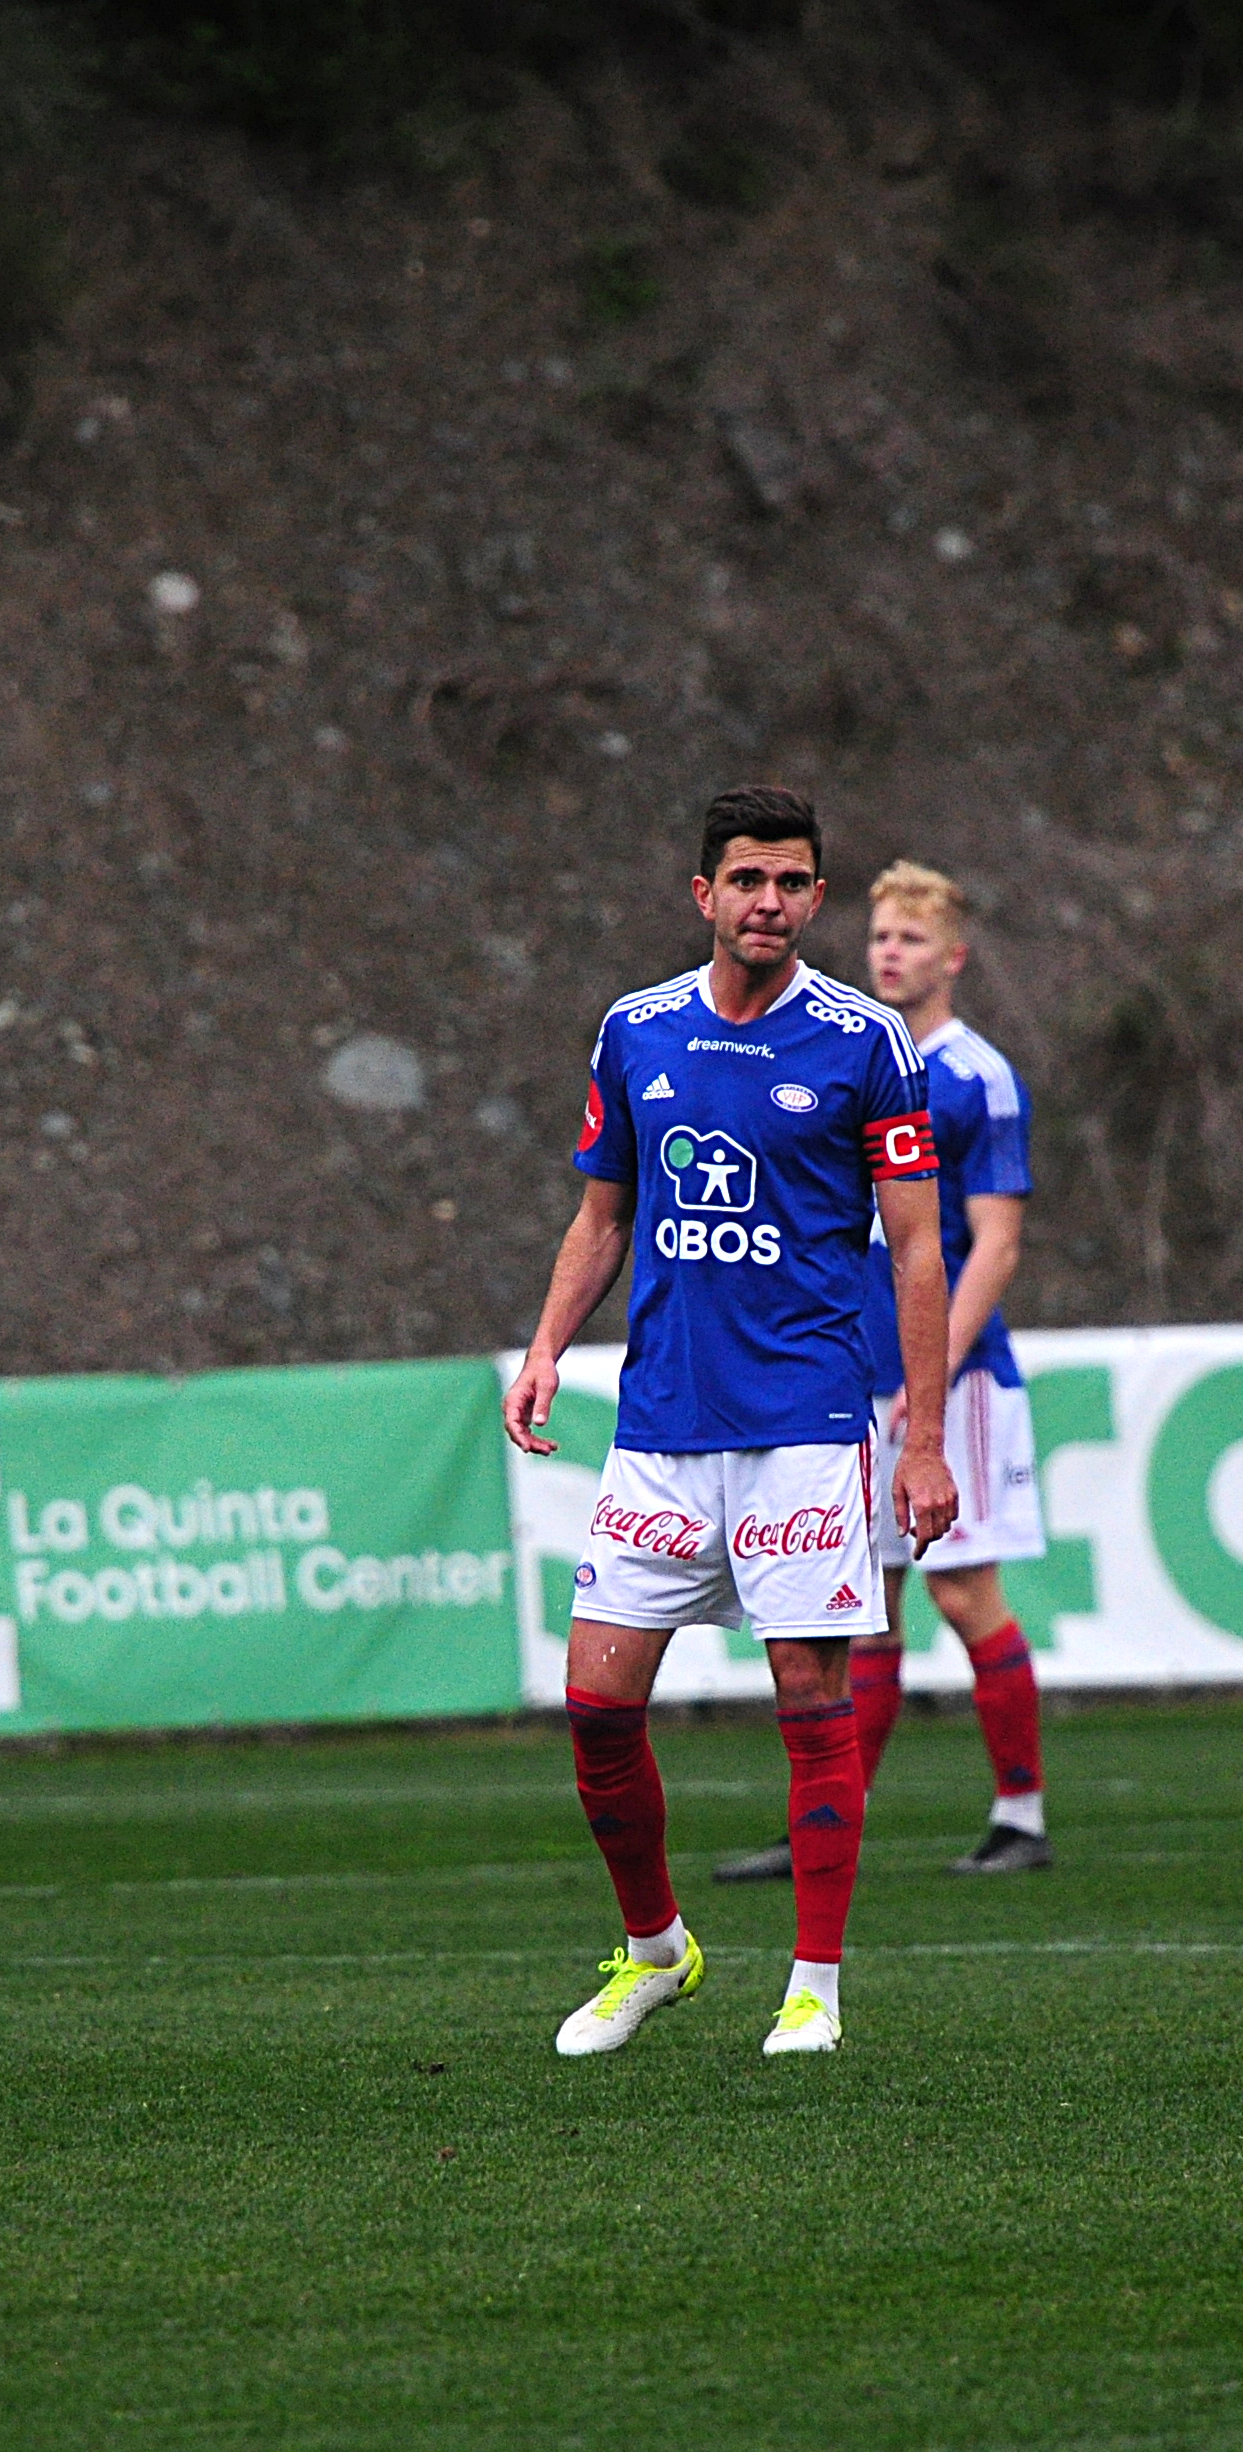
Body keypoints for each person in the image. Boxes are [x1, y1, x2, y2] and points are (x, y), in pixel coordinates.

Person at [505, 785, 957, 2060]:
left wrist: (920, 1439)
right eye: (747, 880)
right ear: (703, 894)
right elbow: (602, 1218)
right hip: (658, 1423)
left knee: (808, 1704)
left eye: (794, 882)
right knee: (596, 1708)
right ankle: (657, 1950)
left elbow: (915, 1256)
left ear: (818, 898)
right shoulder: (635, 1030)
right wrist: (547, 1348)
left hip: (805, 1422)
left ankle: (813, 1983)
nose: (770, 901)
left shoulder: (869, 1043)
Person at [714, 860, 1053, 1885]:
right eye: (879, 939)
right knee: (862, 1607)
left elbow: (993, 1243)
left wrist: (933, 1373)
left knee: (964, 1595)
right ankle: (830, 1817)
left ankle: (1021, 1815)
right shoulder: (848, 1058)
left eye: (909, 940)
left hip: (955, 1380)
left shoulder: (976, 1076)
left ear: (951, 957)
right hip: (848, 1377)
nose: (889, 954)